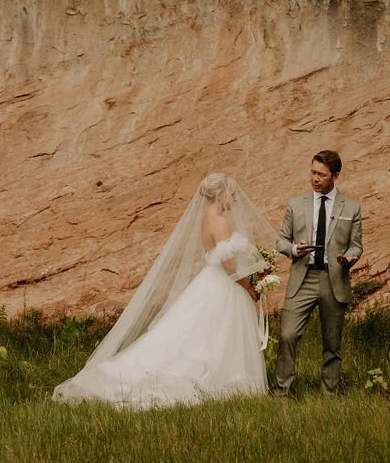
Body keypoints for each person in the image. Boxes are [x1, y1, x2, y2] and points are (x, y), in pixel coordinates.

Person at [53, 173, 275, 409]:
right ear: (220, 195)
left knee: (197, 333)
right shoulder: (220, 222)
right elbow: (229, 264)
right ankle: (223, 381)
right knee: (215, 334)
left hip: (211, 281)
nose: (235, 199)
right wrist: (250, 287)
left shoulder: (207, 219)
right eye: (232, 193)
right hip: (224, 284)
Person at [273, 149, 363, 395]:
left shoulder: (352, 207)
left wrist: (350, 257)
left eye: (321, 175)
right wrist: (293, 248)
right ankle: (281, 392)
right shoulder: (295, 203)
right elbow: (281, 241)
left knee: (332, 342)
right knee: (288, 335)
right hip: (303, 277)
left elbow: (356, 244)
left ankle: (329, 395)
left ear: (335, 176)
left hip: (334, 279)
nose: (314, 179)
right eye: (312, 172)